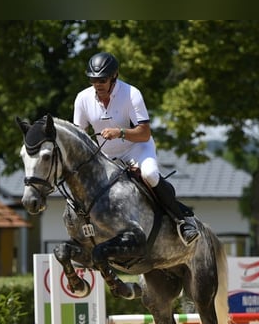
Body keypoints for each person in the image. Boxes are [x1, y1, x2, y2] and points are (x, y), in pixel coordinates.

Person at [73, 51, 200, 246]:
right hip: (106, 156)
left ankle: (182, 221)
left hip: (136, 148)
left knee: (150, 175)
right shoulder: (82, 98)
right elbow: (80, 135)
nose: (97, 84)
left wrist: (120, 132)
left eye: (103, 79)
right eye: (93, 79)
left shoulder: (131, 93)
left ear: (114, 77)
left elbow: (144, 133)